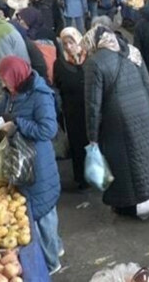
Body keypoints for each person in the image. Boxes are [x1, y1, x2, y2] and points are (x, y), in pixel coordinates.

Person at [82, 24, 149, 217]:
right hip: (142, 109)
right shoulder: (132, 52)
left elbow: (93, 105)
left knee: (124, 164)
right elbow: (148, 85)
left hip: (116, 119)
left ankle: (126, 205)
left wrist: (92, 136)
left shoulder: (95, 63)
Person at [0, 56, 63, 275]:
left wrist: (17, 124)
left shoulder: (40, 96)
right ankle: (56, 248)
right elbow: (2, 111)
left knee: (43, 213)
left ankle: (52, 262)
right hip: (22, 159)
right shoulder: (12, 92)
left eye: (6, 80)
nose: (3, 84)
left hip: (38, 162)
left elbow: (47, 131)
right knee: (37, 211)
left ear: (17, 76)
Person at [54, 28, 89, 190]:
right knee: (78, 145)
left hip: (92, 109)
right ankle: (82, 178)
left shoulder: (90, 57)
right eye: (65, 43)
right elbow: (57, 86)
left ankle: (100, 174)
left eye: (71, 42)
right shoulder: (59, 63)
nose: (68, 47)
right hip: (73, 112)